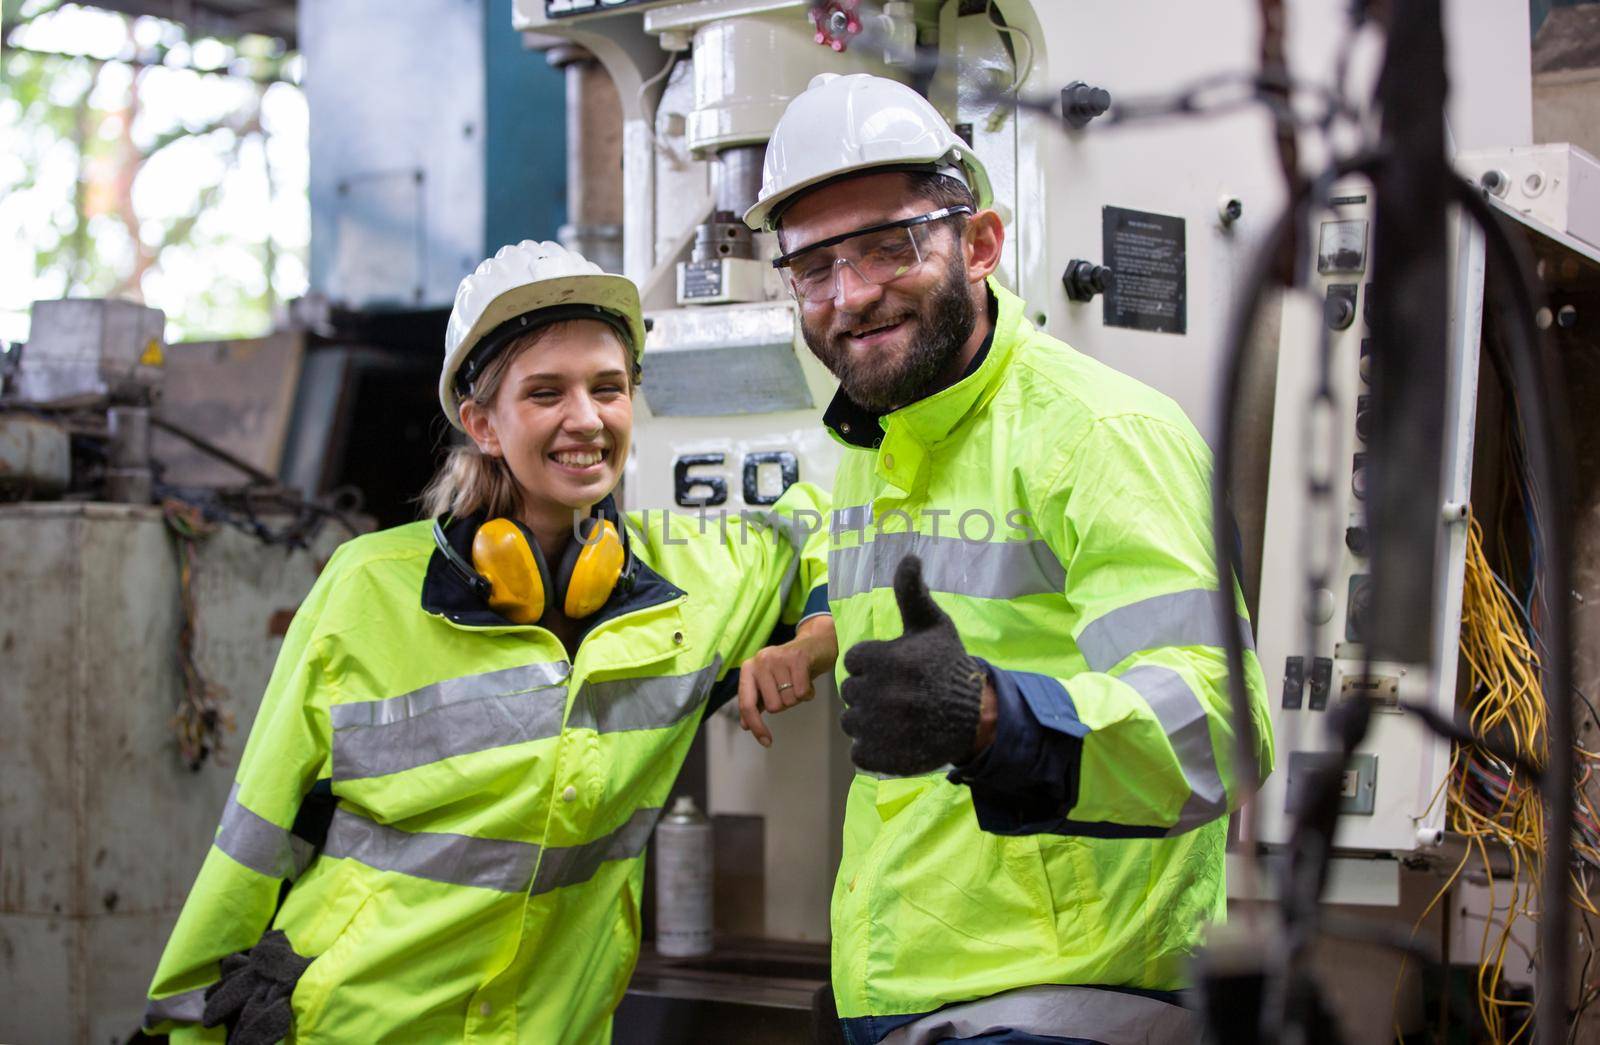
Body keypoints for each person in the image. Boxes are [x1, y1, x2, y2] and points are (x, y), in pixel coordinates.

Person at [142, 241, 836, 1043]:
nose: (585, 417)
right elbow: (253, 838)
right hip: (361, 1022)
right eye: (546, 392)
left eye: (606, 388)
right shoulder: (366, 588)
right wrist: (183, 1027)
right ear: (482, 422)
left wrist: (814, 634)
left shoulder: (688, 584)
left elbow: (829, 515)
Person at [738, 73, 1275, 1045]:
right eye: (813, 267)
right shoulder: (878, 446)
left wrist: (996, 717)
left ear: (978, 243)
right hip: (902, 996)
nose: (849, 296)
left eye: (888, 247)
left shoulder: (1103, 435)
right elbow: (818, 539)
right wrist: (814, 633)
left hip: (1069, 1003)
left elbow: (1220, 728)